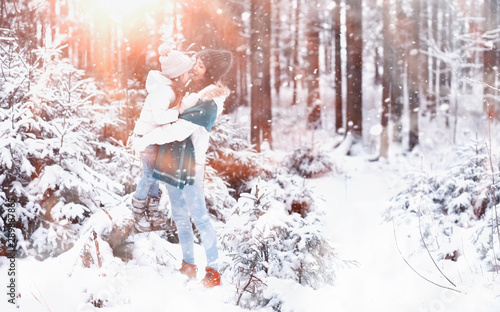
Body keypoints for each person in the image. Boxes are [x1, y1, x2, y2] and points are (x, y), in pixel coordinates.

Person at [133, 49, 233, 288]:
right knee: (179, 213)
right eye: (195, 64)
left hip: (191, 162)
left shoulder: (210, 102)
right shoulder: (191, 91)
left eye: (199, 66)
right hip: (171, 157)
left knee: (199, 215)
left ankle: (214, 271)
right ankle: (188, 264)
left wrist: (146, 139)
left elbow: (179, 129)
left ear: (211, 71)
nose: (194, 69)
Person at [131, 44, 194, 232]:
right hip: (147, 138)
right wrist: (180, 112)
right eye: (187, 73)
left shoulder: (169, 89)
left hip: (154, 138)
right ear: (177, 75)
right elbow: (160, 117)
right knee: (149, 175)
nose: (189, 75)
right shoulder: (163, 91)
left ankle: (152, 211)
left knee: (155, 175)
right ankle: (138, 211)